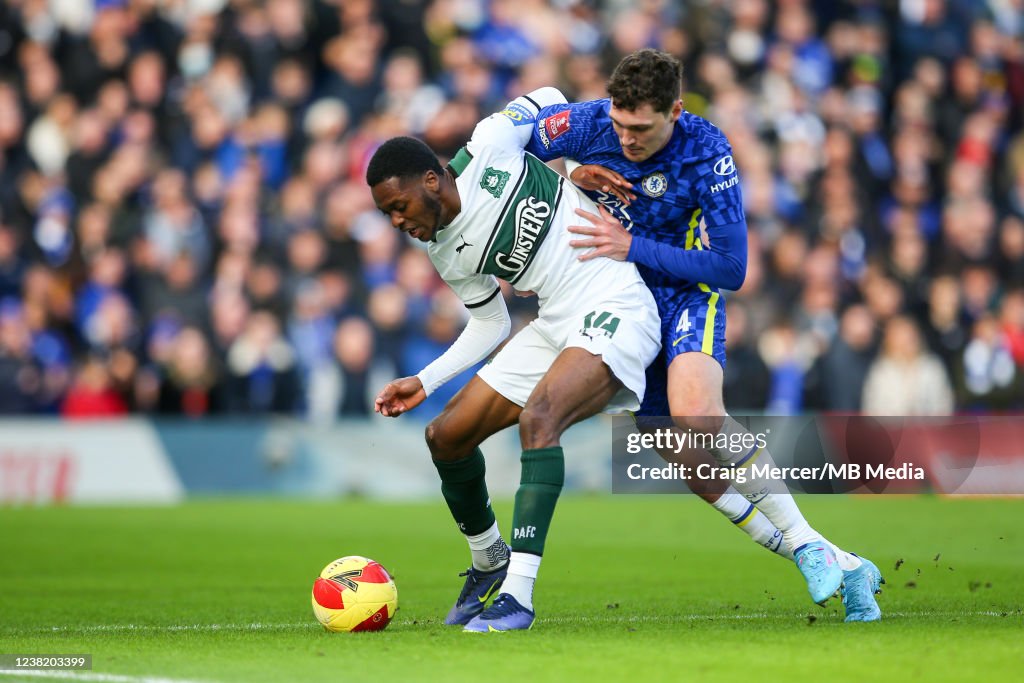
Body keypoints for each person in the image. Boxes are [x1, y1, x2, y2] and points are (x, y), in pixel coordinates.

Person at [523, 49, 883, 621]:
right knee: (695, 467)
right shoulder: (587, 123)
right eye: (620, 125)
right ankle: (839, 561)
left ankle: (811, 544)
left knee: (699, 416)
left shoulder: (707, 151)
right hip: (614, 304)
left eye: (640, 129)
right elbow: (504, 155)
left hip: (684, 296)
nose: (626, 139)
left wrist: (632, 246)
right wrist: (564, 172)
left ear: (675, 111)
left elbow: (731, 267)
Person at [365, 87, 661, 632]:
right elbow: (492, 322)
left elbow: (548, 96)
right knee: (446, 438)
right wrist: (426, 382)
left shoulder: (491, 145)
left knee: (539, 419)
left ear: (431, 181)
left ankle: (518, 597)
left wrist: (574, 162)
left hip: (613, 297)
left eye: (398, 207)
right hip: (553, 321)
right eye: (387, 215)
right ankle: (489, 559)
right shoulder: (443, 252)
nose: (397, 223)